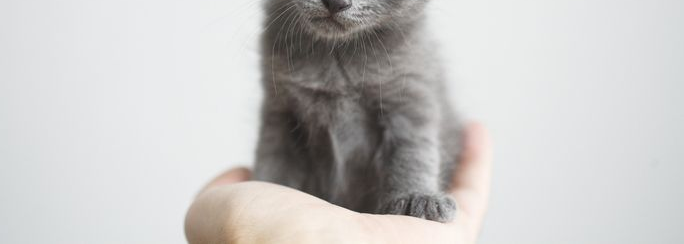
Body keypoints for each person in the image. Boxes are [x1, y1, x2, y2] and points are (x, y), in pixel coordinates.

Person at [185, 123, 491, 243]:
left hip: (386, 198)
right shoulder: (281, 39)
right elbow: (280, 138)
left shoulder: (407, 48)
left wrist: (414, 195)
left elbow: (412, 130)